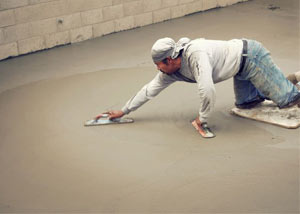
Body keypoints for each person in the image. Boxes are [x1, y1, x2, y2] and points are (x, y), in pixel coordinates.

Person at [102, 37, 300, 137]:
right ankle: (283, 80)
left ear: (170, 59)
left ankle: (283, 85)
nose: (157, 69)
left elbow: (207, 90)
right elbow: (148, 90)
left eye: (158, 64)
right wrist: (124, 110)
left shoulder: (196, 55)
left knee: (289, 100)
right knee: (247, 104)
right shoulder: (170, 72)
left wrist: (201, 119)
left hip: (251, 57)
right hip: (239, 70)